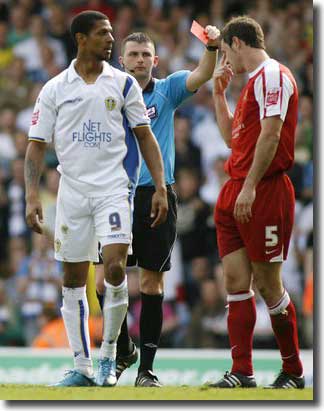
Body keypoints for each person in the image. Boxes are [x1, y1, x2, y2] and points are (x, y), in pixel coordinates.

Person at [24, 10, 168, 387]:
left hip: (113, 189)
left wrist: (161, 187)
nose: (111, 39)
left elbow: (145, 137)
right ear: (81, 39)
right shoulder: (55, 88)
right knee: (72, 279)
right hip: (72, 192)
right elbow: (36, 145)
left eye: (110, 33)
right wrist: (30, 197)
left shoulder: (123, 85)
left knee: (116, 267)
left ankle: (110, 356)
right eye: (103, 33)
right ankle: (82, 366)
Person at [95, 28, 220, 387]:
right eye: (132, 54)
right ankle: (123, 348)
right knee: (106, 280)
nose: (139, 60)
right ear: (121, 61)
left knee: (151, 282)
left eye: (145, 55)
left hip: (156, 195)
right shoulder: (105, 94)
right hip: (114, 193)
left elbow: (202, 73)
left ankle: (145, 369)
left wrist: (211, 47)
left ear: (156, 60)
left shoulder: (167, 89)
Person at [207, 16, 304, 389]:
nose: (227, 58)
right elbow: (234, 140)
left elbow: (272, 135)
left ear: (236, 42)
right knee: (235, 281)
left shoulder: (274, 76)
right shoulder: (251, 85)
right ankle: (242, 372)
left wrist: (249, 187)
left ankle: (294, 371)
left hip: (262, 189)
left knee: (268, 284)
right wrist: (218, 95)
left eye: (227, 50)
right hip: (236, 187)